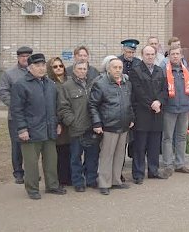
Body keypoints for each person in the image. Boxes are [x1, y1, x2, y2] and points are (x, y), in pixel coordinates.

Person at [10, 53, 66, 199]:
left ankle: (52, 186)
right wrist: (22, 129)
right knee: (31, 164)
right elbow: (16, 110)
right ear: (29, 68)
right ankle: (33, 189)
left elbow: (56, 106)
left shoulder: (50, 84)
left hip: (49, 129)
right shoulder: (20, 85)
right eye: (37, 66)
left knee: (51, 161)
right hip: (31, 131)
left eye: (43, 65)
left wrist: (58, 123)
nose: (41, 68)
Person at [89, 57, 135, 195]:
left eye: (120, 67)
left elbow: (129, 102)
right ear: (109, 69)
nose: (118, 70)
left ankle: (116, 181)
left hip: (124, 125)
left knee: (119, 155)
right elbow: (92, 105)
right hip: (109, 125)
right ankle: (104, 183)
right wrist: (96, 123)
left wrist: (131, 117)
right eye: (115, 67)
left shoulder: (127, 83)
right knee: (106, 156)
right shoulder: (101, 84)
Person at [129, 45, 170, 183]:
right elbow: (138, 91)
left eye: (152, 54)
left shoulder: (159, 70)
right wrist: (152, 104)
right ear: (142, 55)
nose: (150, 56)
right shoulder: (135, 71)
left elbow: (165, 90)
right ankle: (138, 174)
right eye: (147, 54)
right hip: (142, 113)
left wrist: (159, 102)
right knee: (140, 147)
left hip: (157, 114)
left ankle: (153, 171)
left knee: (154, 146)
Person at [57, 60, 99, 192]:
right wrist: (72, 121)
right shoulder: (67, 86)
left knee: (92, 156)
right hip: (76, 128)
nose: (82, 71)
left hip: (91, 127)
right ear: (74, 70)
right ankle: (78, 182)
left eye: (84, 69)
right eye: (79, 69)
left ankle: (91, 179)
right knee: (75, 157)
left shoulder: (92, 84)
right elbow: (63, 108)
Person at [161, 45, 189, 175]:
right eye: (173, 54)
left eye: (177, 54)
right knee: (167, 138)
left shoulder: (188, 71)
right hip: (169, 110)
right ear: (169, 56)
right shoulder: (163, 71)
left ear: (181, 56)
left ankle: (180, 164)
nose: (175, 56)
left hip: (184, 110)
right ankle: (168, 165)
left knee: (181, 137)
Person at [0, 46, 32, 184]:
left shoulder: (35, 71)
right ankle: (18, 172)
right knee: (17, 145)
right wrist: (15, 105)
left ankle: (31, 172)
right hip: (15, 117)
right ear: (18, 58)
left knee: (32, 145)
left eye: (28, 56)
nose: (25, 58)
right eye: (22, 56)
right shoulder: (9, 74)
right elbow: (3, 92)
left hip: (33, 115)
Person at [46, 57, 71, 187]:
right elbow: (51, 105)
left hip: (69, 122)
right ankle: (60, 179)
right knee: (59, 152)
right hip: (58, 122)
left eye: (60, 66)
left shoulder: (69, 81)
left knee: (69, 151)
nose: (59, 68)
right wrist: (57, 123)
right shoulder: (49, 83)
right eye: (55, 67)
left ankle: (69, 177)